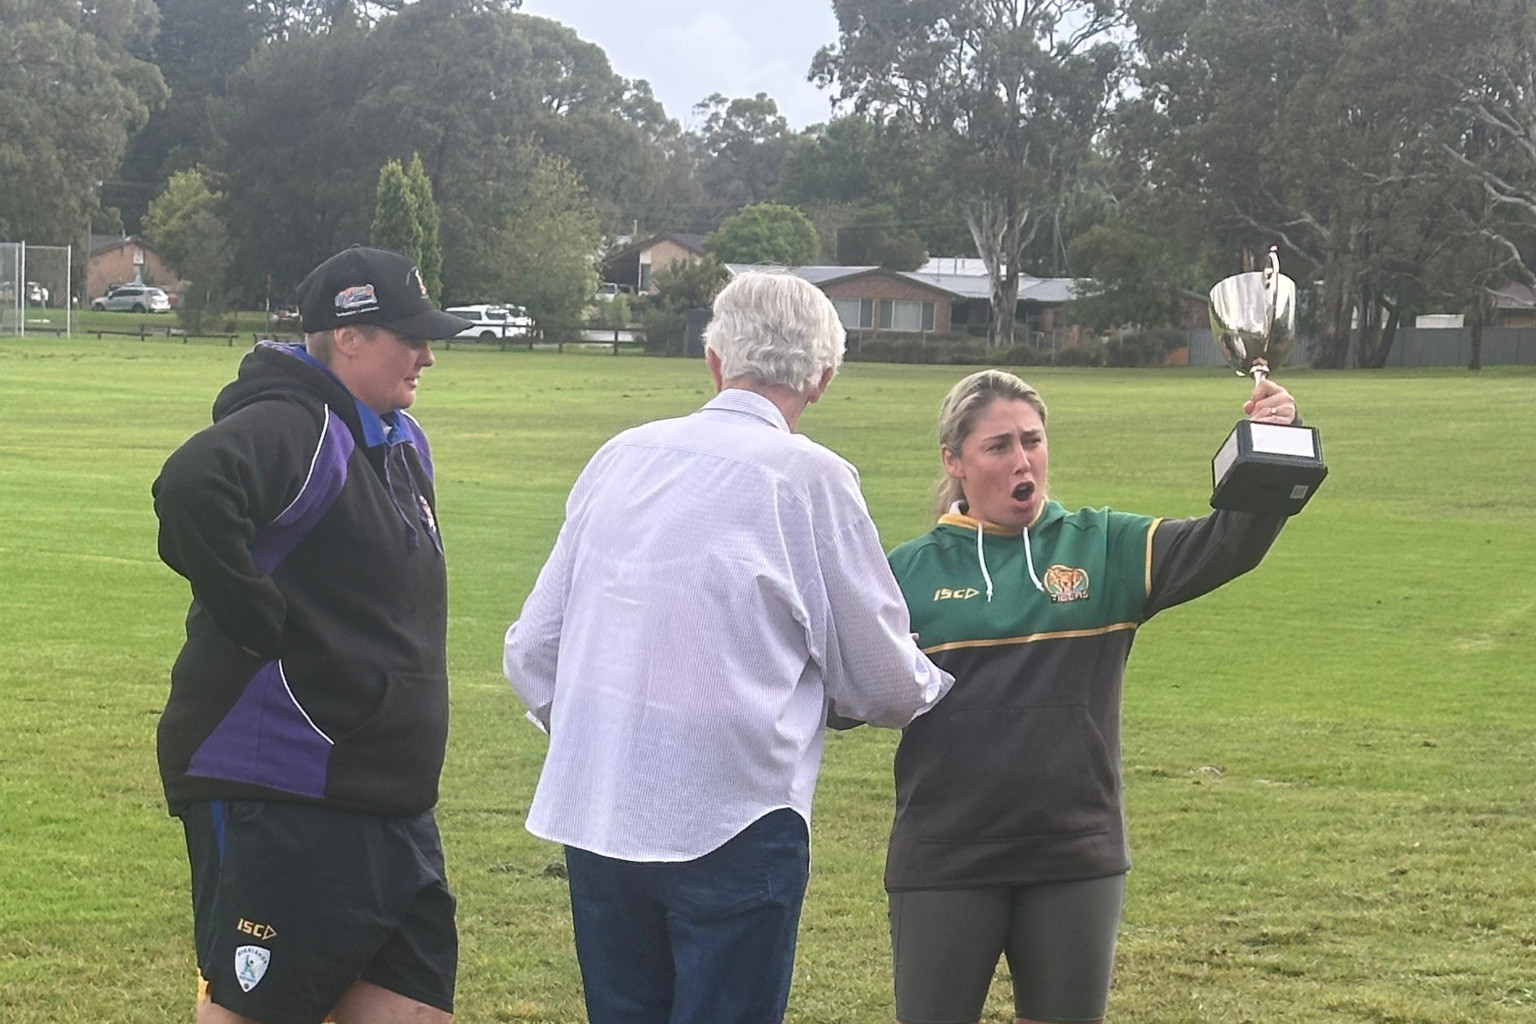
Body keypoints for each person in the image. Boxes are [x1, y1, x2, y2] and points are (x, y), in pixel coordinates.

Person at [503, 271, 954, 1024]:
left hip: (601, 805)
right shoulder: (809, 478)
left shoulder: (622, 455)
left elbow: (532, 649)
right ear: (824, 378)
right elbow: (882, 681)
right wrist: (936, 679)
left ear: (715, 361)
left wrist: (607, 728)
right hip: (734, 817)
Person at [883, 369, 1302, 1024]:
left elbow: (1228, 544)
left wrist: (1271, 448)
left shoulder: (1104, 548)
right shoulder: (905, 574)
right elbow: (842, 701)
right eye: (999, 446)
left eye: (1033, 440)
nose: (1023, 460)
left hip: (1075, 856)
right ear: (954, 461)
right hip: (945, 856)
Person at [152, 245, 472, 1024]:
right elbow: (193, 486)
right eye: (409, 336)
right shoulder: (295, 424)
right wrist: (249, 612)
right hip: (288, 791)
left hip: (388, 800)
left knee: (413, 1010)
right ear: (350, 335)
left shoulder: (398, 439)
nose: (427, 355)